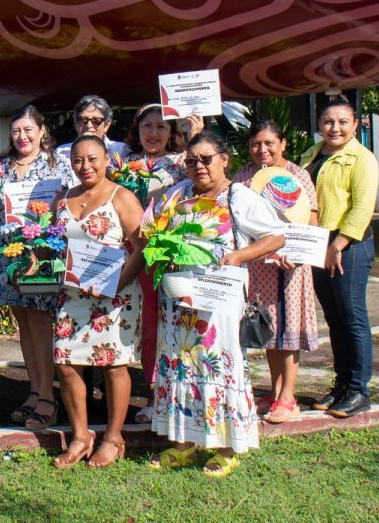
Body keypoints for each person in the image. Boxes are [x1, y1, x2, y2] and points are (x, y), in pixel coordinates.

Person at [150, 132, 286, 478]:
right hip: (179, 298)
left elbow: (276, 236)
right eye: (191, 161)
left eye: (206, 159)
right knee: (180, 365)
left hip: (220, 300)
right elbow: (151, 228)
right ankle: (183, 442)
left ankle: (227, 447)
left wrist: (239, 255)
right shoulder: (178, 194)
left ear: (225, 159)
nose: (199, 166)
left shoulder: (238, 196)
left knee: (218, 366)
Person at [51, 136, 146, 469]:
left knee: (113, 365)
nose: (85, 166)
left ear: (107, 159)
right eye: (78, 160)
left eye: (92, 159)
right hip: (72, 295)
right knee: (65, 361)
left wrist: (115, 284)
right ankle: (80, 436)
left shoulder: (123, 197)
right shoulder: (63, 198)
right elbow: (54, 243)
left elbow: (143, 248)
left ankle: (113, 437)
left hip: (115, 296)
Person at [0, 105, 75, 431]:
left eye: (28, 130)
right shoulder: (1, 167)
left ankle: (48, 399)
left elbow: (71, 204)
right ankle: (34, 390)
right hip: (9, 254)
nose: (22, 136)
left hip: (40, 254)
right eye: (16, 131)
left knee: (40, 321)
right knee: (23, 322)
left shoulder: (59, 165)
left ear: (42, 131)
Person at [232, 120, 320, 424]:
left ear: (283, 144)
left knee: (289, 329)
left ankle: (288, 397)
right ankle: (273, 392)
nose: (263, 150)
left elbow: (310, 218)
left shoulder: (297, 175)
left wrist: (295, 254)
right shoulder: (244, 177)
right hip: (259, 265)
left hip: (290, 266)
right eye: (256, 144)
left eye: (269, 143)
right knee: (269, 328)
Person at [121, 103, 203, 425]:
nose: (153, 133)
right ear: (137, 130)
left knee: (166, 320)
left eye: (161, 127)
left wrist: (196, 135)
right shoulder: (125, 164)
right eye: (147, 126)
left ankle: (168, 393)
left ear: (171, 133)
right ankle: (149, 390)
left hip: (166, 254)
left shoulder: (183, 163)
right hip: (129, 252)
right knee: (140, 321)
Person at [299, 96, 379, 418]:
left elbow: (362, 207)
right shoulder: (311, 154)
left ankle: (359, 389)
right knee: (334, 318)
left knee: (352, 317)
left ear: (355, 124)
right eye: (328, 122)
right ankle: (342, 384)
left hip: (349, 246)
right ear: (319, 124)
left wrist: (339, 244)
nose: (335, 128)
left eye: (343, 122)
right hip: (319, 243)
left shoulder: (362, 158)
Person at [55, 95, 128, 163]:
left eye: (96, 121)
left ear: (106, 125)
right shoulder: (61, 153)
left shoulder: (121, 151)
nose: (89, 126)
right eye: (82, 120)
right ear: (76, 125)